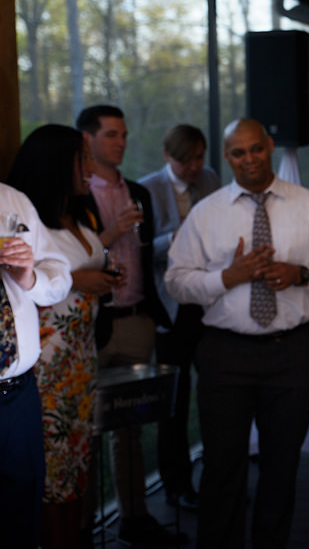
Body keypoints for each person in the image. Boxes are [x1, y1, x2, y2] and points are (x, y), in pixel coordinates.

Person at [166, 119, 309, 549]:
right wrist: (228, 277)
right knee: (222, 467)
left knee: (281, 468)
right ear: (226, 157)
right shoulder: (207, 213)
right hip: (224, 355)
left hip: (292, 351)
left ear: (269, 146)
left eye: (255, 149)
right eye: (237, 153)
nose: (248, 159)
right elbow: (177, 280)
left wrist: (300, 273)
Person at [75, 105, 180, 545]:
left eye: (124, 133)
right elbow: (70, 262)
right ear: (88, 140)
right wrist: (114, 231)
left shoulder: (137, 189)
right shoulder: (76, 196)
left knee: (131, 425)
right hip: (92, 324)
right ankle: (81, 525)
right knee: (85, 428)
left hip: (137, 318)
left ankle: (134, 517)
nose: (122, 141)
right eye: (112, 134)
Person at [6, 125, 114, 549]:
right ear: (56, 164)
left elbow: (61, 272)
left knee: (73, 468)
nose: (91, 168)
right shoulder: (27, 214)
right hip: (49, 364)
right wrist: (83, 280)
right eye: (82, 159)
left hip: (80, 359)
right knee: (51, 476)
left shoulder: (76, 213)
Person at [139, 124, 221, 511]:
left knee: (215, 394)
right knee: (174, 401)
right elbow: (143, 253)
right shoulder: (147, 188)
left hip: (207, 303)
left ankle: (218, 477)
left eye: (199, 158)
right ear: (167, 157)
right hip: (169, 307)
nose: (193, 167)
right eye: (184, 160)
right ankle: (176, 484)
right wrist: (179, 238)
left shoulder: (210, 179)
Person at [0, 182, 73, 549]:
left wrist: (28, 276)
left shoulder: (13, 199)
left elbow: (60, 276)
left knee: (22, 511)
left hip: (19, 395)